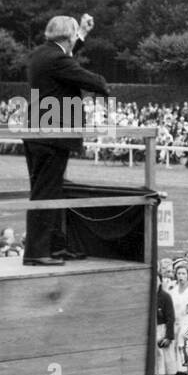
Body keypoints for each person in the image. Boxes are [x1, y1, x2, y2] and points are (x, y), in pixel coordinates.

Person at [23, 14, 109, 266]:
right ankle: (37, 252)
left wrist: (81, 33)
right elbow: (90, 80)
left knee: (50, 190)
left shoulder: (41, 54)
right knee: (46, 193)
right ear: (68, 36)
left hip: (40, 133)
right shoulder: (58, 59)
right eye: (75, 36)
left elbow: (66, 58)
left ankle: (54, 246)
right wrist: (103, 85)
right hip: (53, 135)